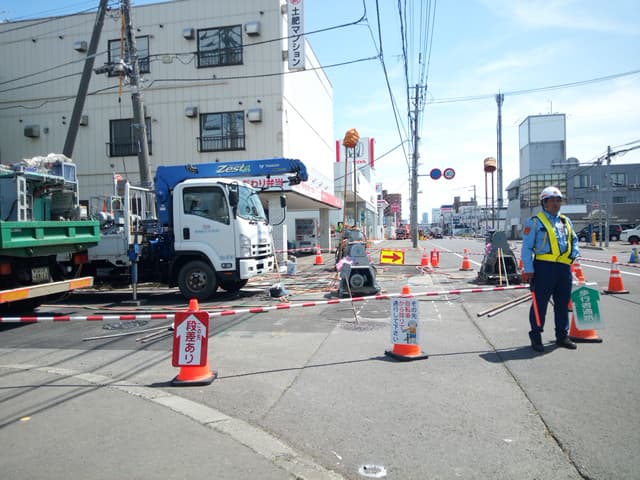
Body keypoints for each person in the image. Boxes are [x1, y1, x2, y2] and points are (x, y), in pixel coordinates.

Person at [521, 186, 580, 353]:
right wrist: (529, 269)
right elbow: (527, 248)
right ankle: (536, 336)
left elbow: (574, 240)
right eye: (551, 200)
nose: (555, 203)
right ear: (544, 203)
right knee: (540, 304)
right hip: (543, 268)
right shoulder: (535, 222)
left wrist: (574, 255)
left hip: (564, 268)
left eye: (558, 200)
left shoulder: (565, 221)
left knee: (562, 303)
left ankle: (562, 336)